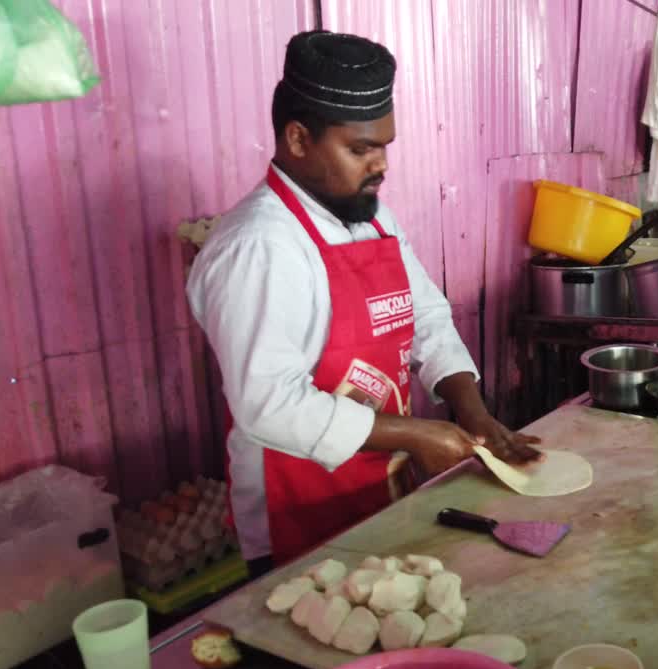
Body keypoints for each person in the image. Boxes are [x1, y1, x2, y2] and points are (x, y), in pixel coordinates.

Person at [187, 31, 539, 575]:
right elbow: (268, 404)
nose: (381, 166)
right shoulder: (257, 246)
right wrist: (417, 434)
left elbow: (424, 315)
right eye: (360, 149)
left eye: (384, 147)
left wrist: (472, 412)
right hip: (299, 509)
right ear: (299, 139)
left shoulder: (369, 215)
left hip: (380, 487)